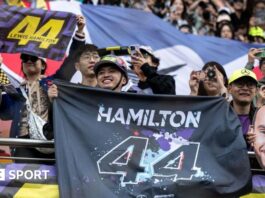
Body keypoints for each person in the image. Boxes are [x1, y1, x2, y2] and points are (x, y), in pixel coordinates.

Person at [0, 15, 87, 164]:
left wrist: (79, 32)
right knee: (24, 186)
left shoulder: (54, 82)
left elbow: (72, 60)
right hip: (23, 147)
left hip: (51, 144)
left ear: (43, 64)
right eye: (25, 59)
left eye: (33, 58)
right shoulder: (14, 90)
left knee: (51, 186)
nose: (28, 61)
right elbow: (4, 112)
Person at [228, 68, 258, 149]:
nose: (245, 88)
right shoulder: (219, 115)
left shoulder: (262, 117)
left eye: (250, 85)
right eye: (240, 84)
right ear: (229, 89)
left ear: (256, 91)